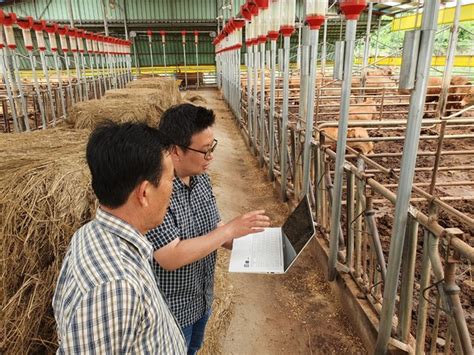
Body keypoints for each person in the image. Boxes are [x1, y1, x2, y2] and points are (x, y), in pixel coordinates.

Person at [146, 104, 270, 354]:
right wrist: (228, 231)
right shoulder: (155, 191)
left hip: (201, 298)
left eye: (212, 147)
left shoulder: (201, 177)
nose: (210, 156)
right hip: (172, 311)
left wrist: (254, 245)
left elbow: (215, 228)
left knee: (193, 349)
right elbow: (170, 256)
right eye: (204, 151)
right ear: (175, 151)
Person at [53, 122, 186, 354]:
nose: (172, 189)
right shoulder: (113, 288)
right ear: (144, 193)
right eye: (171, 180)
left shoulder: (93, 232)